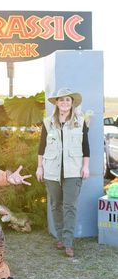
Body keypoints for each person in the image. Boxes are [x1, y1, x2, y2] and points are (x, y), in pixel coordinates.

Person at [36, 88, 90, 257]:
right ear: (57, 103)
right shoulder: (48, 122)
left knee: (70, 206)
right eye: (61, 100)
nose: (64, 103)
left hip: (73, 170)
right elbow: (42, 147)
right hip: (51, 169)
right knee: (55, 205)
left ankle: (68, 242)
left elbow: (85, 147)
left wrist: (85, 166)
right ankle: (60, 237)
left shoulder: (80, 122)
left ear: (72, 103)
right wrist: (40, 167)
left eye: (67, 100)